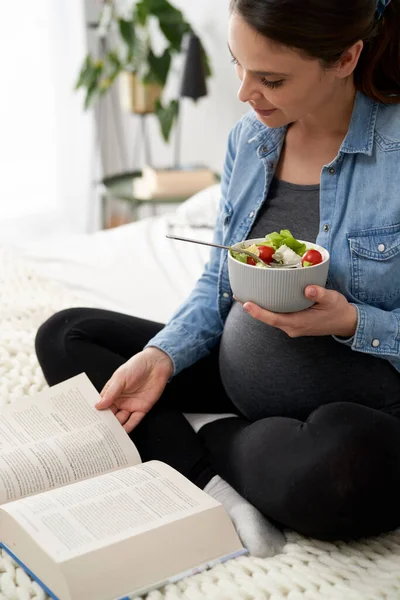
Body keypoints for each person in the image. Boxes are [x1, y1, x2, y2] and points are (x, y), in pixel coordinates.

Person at [35, 0, 400, 557]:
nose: (245, 93)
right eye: (239, 65)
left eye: (271, 78)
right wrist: (164, 356)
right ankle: (217, 487)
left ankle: (208, 439)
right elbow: (217, 283)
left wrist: (352, 320)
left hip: (360, 409)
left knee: (342, 475)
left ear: (346, 57)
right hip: (233, 372)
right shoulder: (249, 142)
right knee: (65, 335)